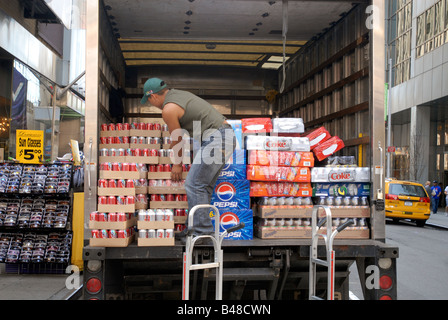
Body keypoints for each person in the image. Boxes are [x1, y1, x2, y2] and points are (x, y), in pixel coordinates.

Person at [141, 78, 235, 244]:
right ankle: (194, 230)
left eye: (149, 100)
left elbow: (177, 139)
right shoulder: (178, 95)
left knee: (194, 184)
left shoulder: (168, 109)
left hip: (217, 139)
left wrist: (177, 165)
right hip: (225, 137)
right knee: (202, 187)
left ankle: (201, 233)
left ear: (153, 96)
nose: (152, 104)